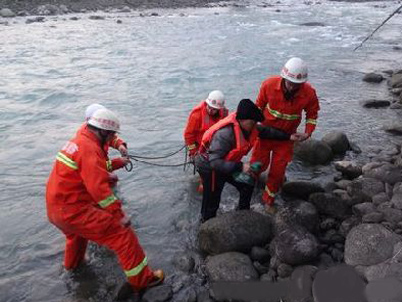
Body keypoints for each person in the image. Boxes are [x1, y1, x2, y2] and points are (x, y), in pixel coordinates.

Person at [46, 108, 164, 298]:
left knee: (76, 236)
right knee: (122, 234)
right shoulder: (89, 149)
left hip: (56, 210)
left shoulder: (80, 140)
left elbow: (92, 171)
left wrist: (118, 156)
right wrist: (119, 215)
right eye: (110, 135)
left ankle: (73, 268)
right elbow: (99, 190)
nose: (112, 139)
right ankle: (142, 280)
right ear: (102, 131)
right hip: (73, 210)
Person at [195, 99, 291, 222]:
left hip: (228, 164)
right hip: (210, 168)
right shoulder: (225, 134)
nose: (255, 125)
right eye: (253, 122)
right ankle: (206, 225)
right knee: (212, 201)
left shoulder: (250, 127)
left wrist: (289, 136)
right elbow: (215, 163)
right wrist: (240, 167)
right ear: (242, 120)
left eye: (255, 122)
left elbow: (267, 131)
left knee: (247, 182)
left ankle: (243, 213)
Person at [250, 57, 320, 213]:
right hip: (265, 135)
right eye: (289, 83)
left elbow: (312, 115)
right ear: (283, 77)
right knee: (257, 165)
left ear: (302, 83)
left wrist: (307, 133)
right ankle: (248, 189)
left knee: (278, 171)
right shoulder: (268, 84)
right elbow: (258, 107)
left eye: (296, 85)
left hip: (287, 139)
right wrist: (252, 129)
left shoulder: (309, 93)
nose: (291, 87)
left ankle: (269, 200)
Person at [82, 103, 131, 186]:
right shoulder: (87, 146)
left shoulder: (93, 132)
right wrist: (118, 162)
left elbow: (110, 137)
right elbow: (97, 168)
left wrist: (120, 145)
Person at [184, 90, 228, 158]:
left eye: (214, 109)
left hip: (214, 147)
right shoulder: (196, 115)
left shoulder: (224, 114)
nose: (210, 111)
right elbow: (188, 135)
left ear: (219, 109)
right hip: (199, 148)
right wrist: (193, 151)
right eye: (209, 107)